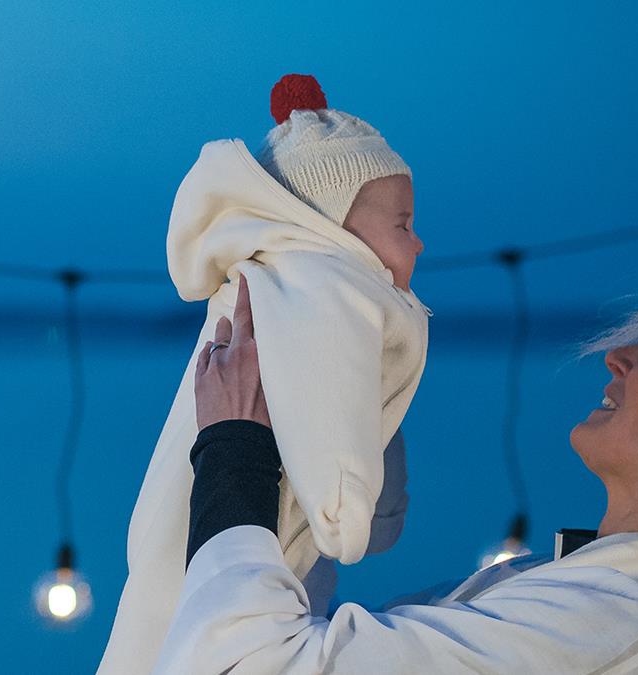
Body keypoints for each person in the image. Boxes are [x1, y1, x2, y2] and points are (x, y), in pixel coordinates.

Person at [153, 261, 638, 674]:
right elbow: (317, 642)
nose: (620, 355)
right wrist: (338, 412)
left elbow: (248, 666)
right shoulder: (576, 601)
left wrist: (236, 447)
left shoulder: (618, 637)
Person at [98, 74, 430, 675]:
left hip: (217, 531)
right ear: (328, 225)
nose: (420, 243)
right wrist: (345, 515)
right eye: (403, 224)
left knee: (149, 629)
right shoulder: (325, 286)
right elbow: (350, 515)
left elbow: (340, 412)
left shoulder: (279, 287)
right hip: (245, 558)